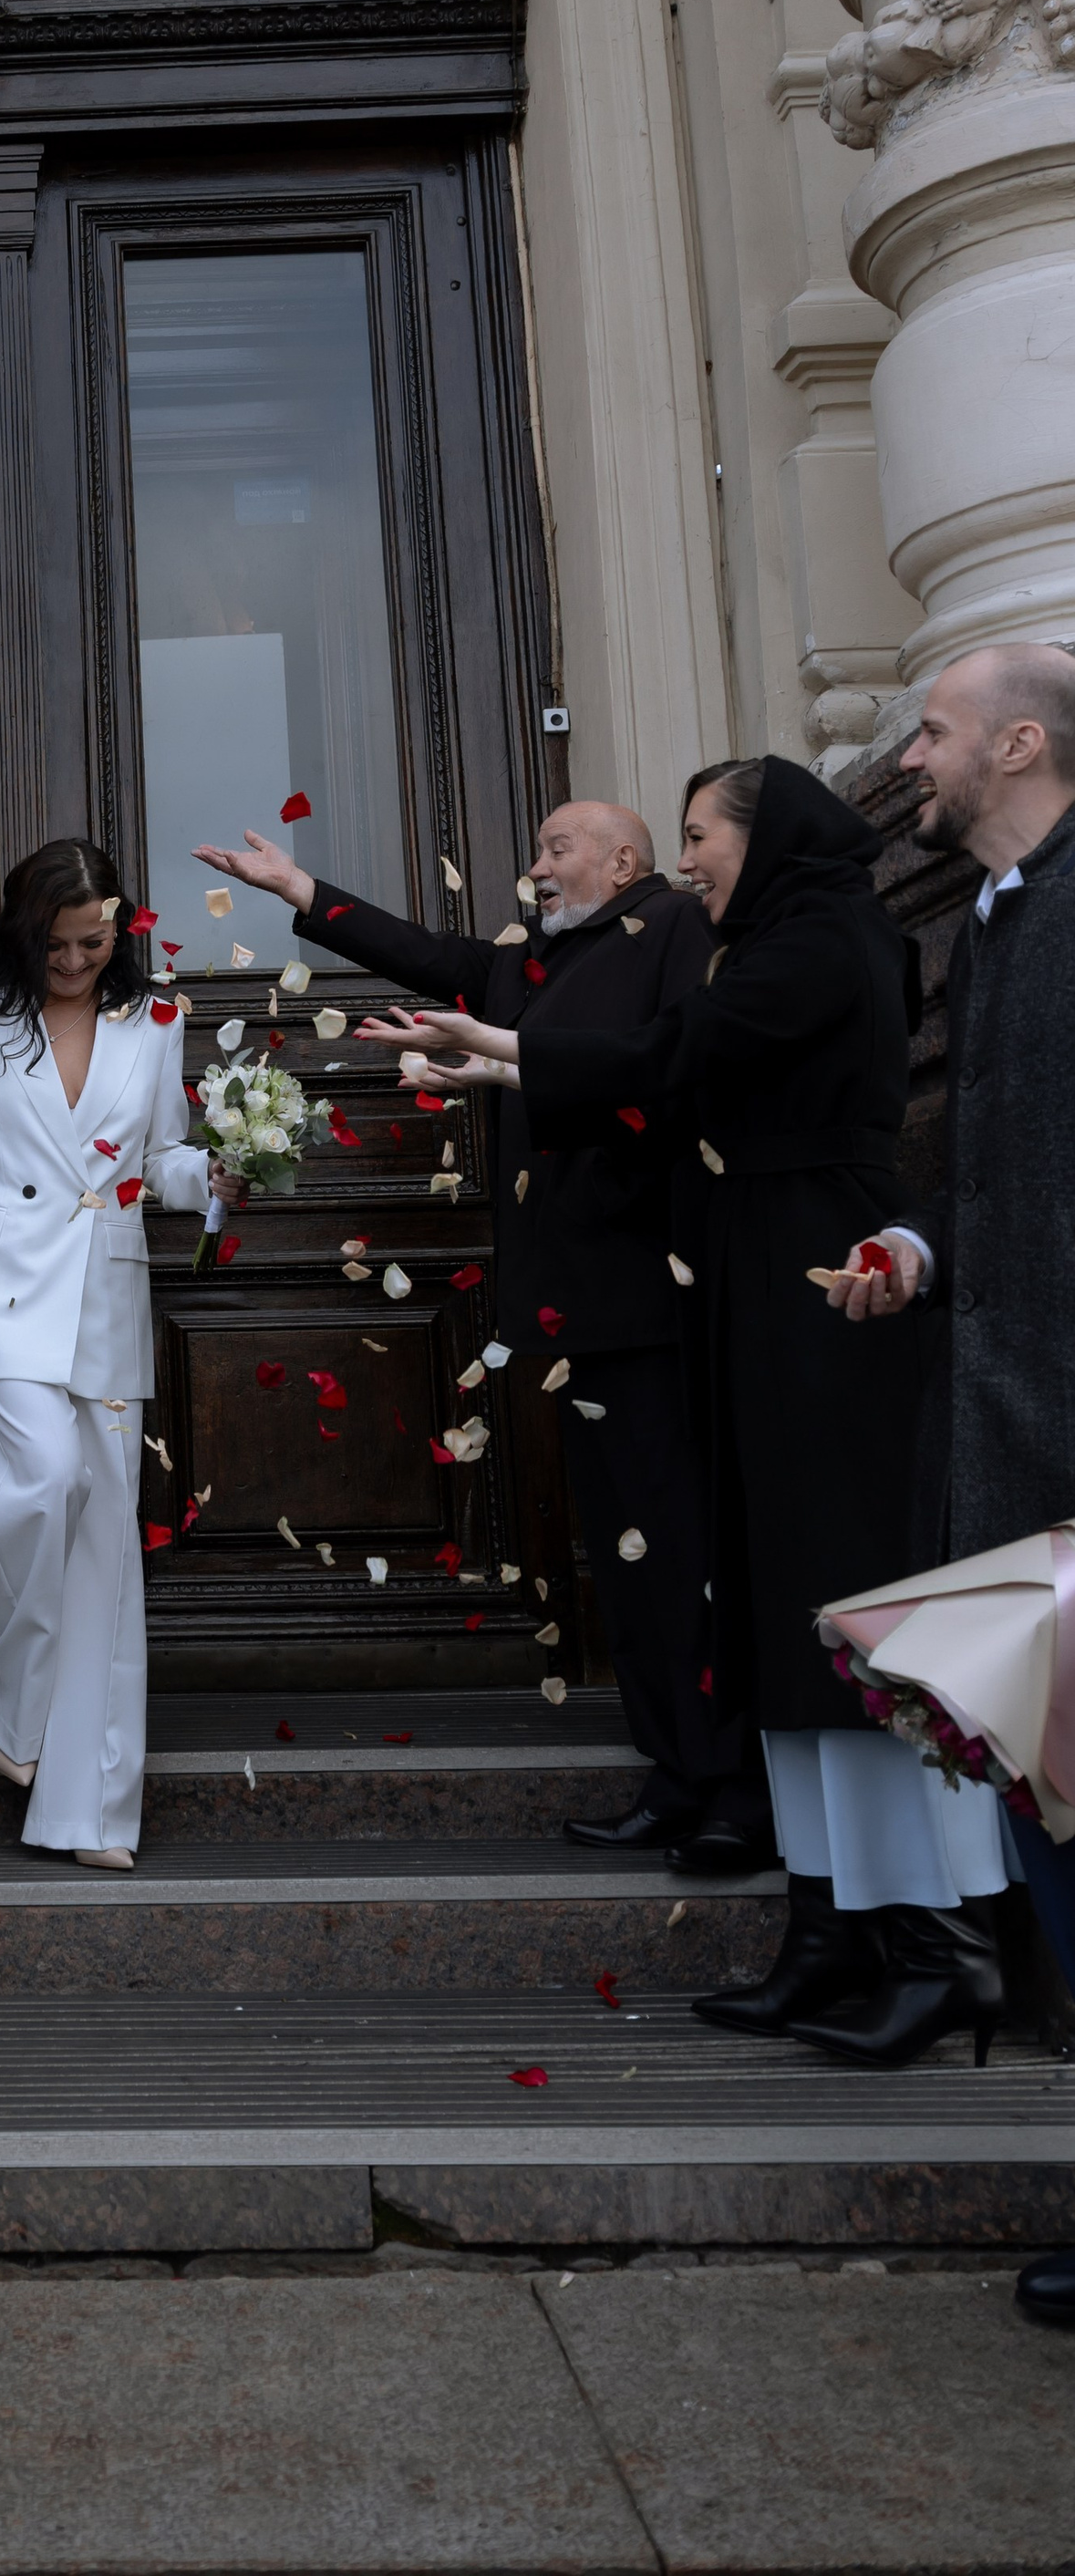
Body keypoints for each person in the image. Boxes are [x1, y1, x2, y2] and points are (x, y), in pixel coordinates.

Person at [378, 757, 996, 2064]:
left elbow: (679, 1058)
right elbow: (673, 1086)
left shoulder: (828, 939)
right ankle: (827, 1929)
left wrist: (504, 1047)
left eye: (703, 837)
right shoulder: (766, 942)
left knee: (840, 1604)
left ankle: (939, 1948)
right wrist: (509, 1073)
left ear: (765, 843)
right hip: (752, 1279)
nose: (689, 862)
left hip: (822, 1282)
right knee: (784, 1612)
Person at [195, 801, 769, 1870]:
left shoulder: (674, 935)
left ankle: (738, 1786)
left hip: (654, 1297)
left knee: (682, 1552)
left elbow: (674, 1074)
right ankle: (675, 1772)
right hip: (566, 1306)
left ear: (622, 859)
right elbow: (431, 954)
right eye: (536, 846)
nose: (536, 866)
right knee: (627, 1558)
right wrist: (301, 892)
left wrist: (512, 1068)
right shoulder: (527, 962)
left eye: (556, 848)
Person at [822, 643, 1075, 2321]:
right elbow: (993, 1169)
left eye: (934, 725)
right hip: (1006, 1441)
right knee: (1056, 1832)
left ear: (1021, 738)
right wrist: (917, 1243)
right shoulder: (988, 921)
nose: (911, 752)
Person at [0, 839, 229, 1866]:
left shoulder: (156, 1016)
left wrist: (217, 1174)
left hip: (105, 1291)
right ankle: (9, 1693)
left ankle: (91, 1806)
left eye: (92, 941)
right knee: (37, 1486)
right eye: (55, 942)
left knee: (103, 1541)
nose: (74, 960)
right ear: (21, 929)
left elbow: (161, 1150)